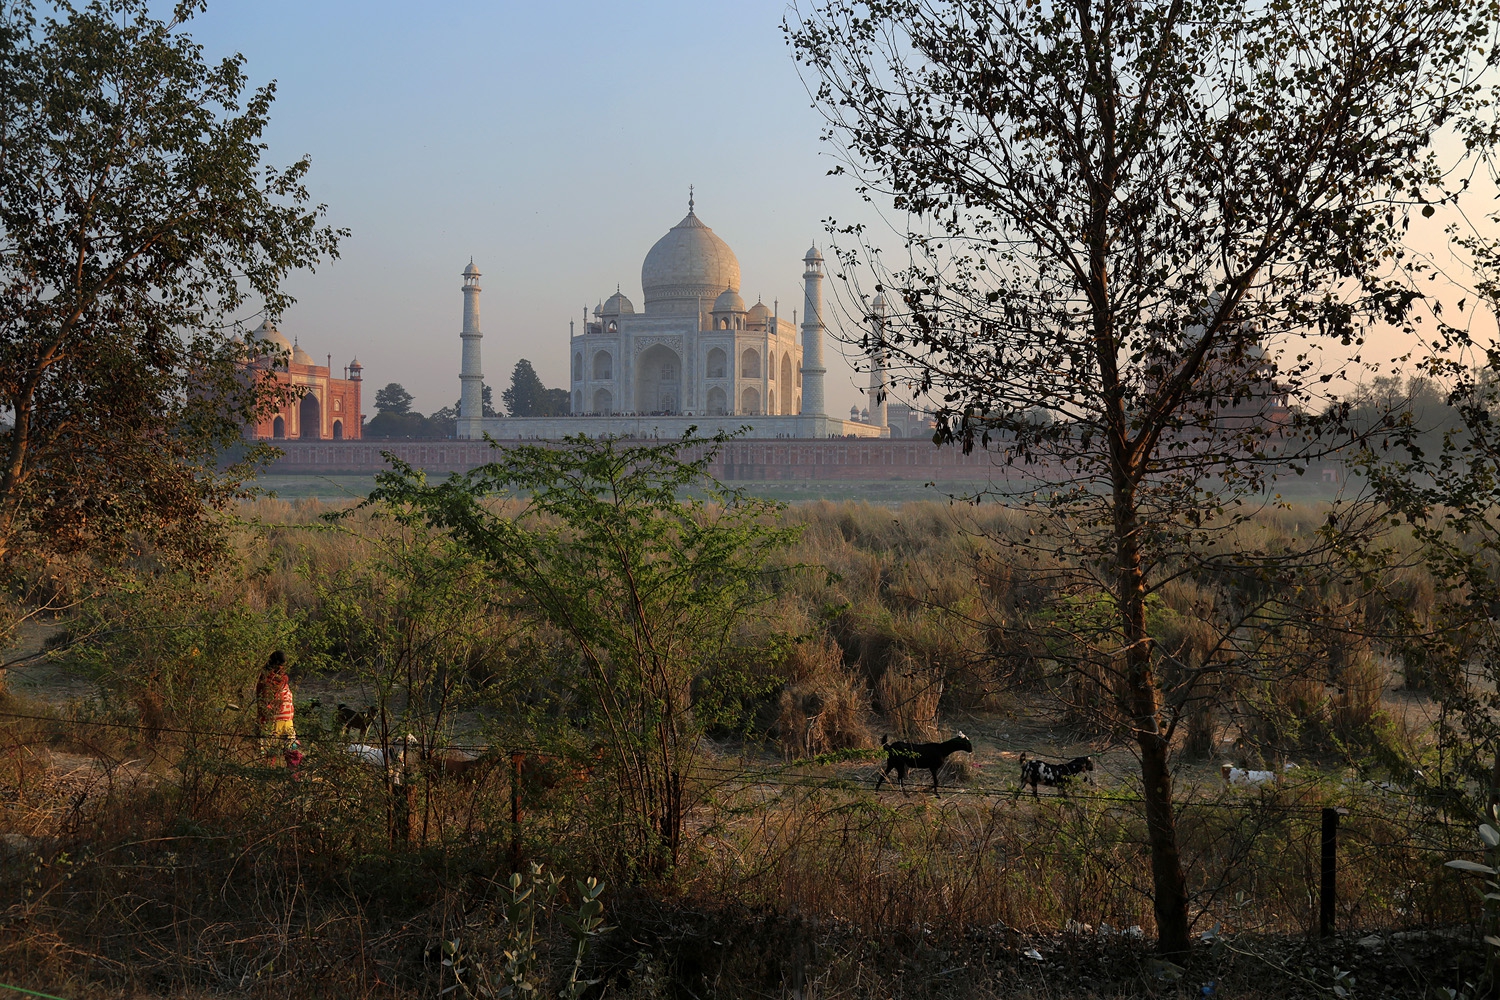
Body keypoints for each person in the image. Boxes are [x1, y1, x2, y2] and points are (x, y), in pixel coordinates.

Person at [255, 650, 303, 773]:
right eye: (281, 665)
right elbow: (264, 701)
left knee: (292, 755)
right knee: (270, 757)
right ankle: (271, 780)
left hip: (285, 722)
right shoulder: (267, 679)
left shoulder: (279, 678)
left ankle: (291, 779)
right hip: (273, 723)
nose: (282, 668)